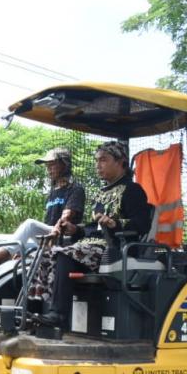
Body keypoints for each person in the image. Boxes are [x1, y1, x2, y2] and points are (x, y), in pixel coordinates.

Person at [31, 141, 152, 328]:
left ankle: (58, 315)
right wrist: (76, 230)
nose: (98, 165)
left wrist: (115, 223)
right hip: (92, 245)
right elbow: (92, 227)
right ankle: (37, 309)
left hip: (115, 248)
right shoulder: (101, 193)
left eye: (103, 160)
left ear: (121, 162)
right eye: (97, 160)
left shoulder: (133, 190)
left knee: (64, 254)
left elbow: (142, 223)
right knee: (48, 252)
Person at [0, 148, 85, 285]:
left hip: (62, 237)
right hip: (45, 239)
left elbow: (65, 218)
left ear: (65, 165)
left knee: (30, 224)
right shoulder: (53, 192)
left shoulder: (75, 189)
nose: (49, 169)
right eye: (47, 166)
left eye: (52, 165)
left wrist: (54, 232)